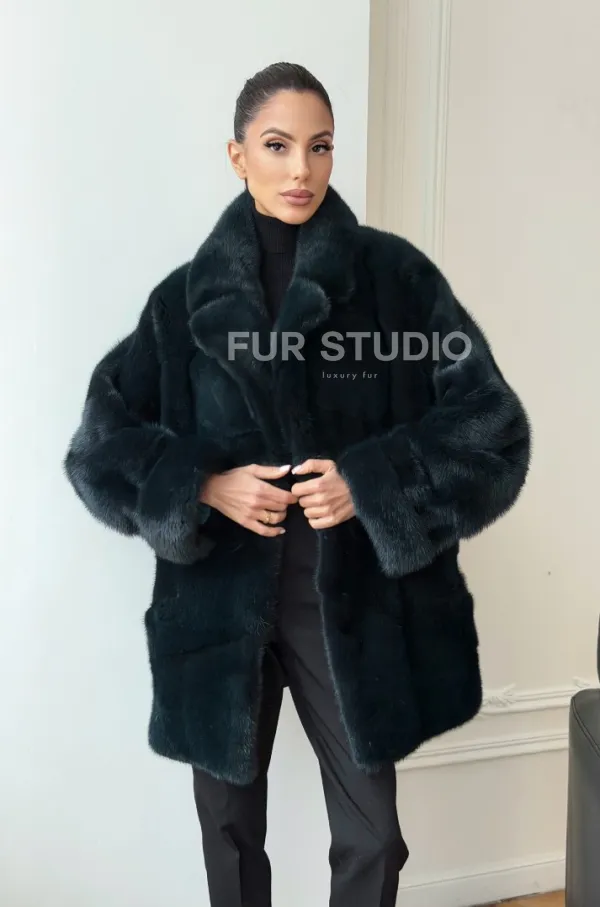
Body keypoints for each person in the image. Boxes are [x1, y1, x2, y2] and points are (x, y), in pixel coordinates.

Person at [63, 61, 531, 906]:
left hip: (348, 604)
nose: (301, 170)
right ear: (237, 155)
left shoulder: (395, 280)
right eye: (277, 146)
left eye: (320, 147)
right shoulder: (182, 304)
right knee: (230, 836)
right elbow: (99, 448)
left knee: (373, 836)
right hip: (217, 606)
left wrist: (368, 482)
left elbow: (493, 425)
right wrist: (205, 485)